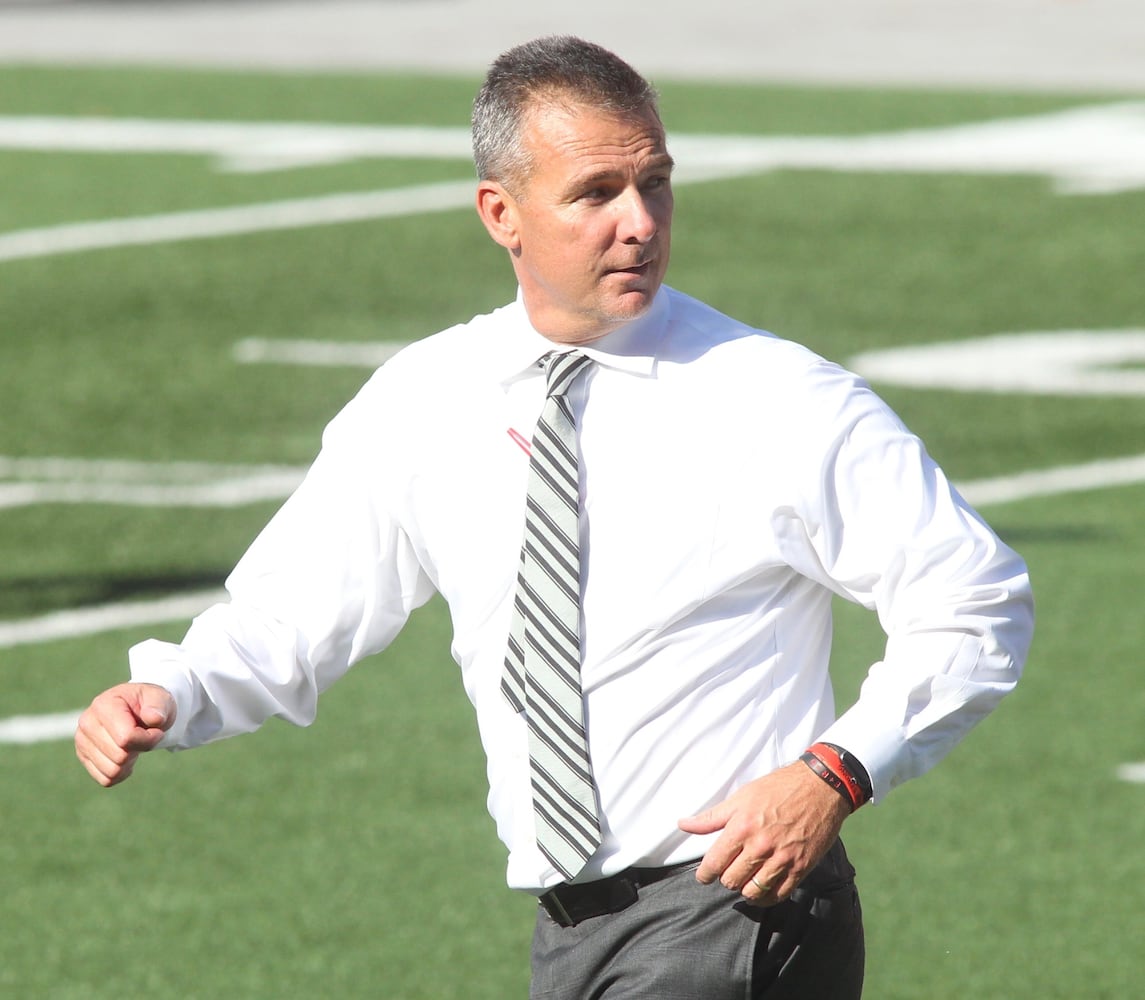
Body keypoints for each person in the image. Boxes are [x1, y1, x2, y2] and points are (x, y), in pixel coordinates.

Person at [75, 35, 1034, 999]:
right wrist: (178, 688)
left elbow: (973, 599)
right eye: (595, 193)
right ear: (502, 212)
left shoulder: (776, 396)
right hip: (569, 928)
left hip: (736, 913)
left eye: (654, 183)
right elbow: (300, 604)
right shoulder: (427, 396)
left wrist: (832, 775)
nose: (639, 222)